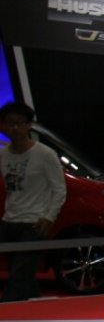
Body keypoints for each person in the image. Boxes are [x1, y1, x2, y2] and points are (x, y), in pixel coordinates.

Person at [0, 101, 67, 301]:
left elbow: (59, 189)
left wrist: (48, 217)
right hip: (10, 221)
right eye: (10, 123)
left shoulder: (44, 155)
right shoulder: (3, 154)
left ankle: (6, 317)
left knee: (18, 277)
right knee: (23, 276)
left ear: (29, 125)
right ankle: (36, 311)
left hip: (34, 224)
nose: (15, 128)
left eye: (20, 123)